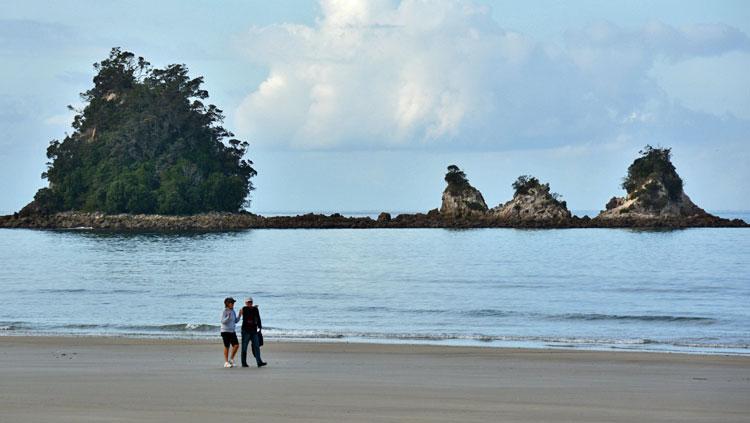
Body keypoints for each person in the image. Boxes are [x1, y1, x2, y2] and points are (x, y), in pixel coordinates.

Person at [239, 297, 267, 368]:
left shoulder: (255, 309)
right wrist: (253, 308)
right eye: (248, 302)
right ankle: (244, 363)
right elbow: (247, 314)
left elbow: (258, 318)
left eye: (250, 302)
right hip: (245, 331)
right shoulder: (244, 309)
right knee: (244, 348)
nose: (249, 303)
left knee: (256, 347)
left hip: (254, 331)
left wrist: (260, 327)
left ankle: (259, 362)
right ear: (246, 303)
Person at [220, 297, 240, 368]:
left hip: (232, 331)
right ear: (227, 304)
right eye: (231, 303)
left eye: (233, 303)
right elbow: (222, 321)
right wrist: (227, 317)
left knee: (236, 345)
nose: (233, 304)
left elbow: (235, 321)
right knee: (227, 346)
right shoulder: (225, 311)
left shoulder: (233, 311)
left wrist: (240, 315)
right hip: (225, 331)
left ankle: (231, 360)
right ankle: (226, 362)